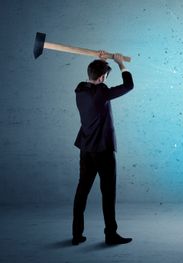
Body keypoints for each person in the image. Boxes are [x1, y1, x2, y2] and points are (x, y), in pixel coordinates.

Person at [72, 51, 133, 245]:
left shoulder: (80, 90)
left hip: (86, 149)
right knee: (108, 193)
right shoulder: (102, 92)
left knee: (82, 190)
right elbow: (128, 85)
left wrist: (102, 61)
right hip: (103, 151)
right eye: (105, 76)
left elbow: (94, 78)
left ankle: (76, 234)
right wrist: (121, 64)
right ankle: (111, 234)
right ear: (102, 78)